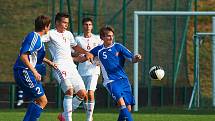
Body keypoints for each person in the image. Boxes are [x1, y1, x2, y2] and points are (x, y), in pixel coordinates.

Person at [42, 12, 93, 121]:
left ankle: (64, 116)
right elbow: (39, 41)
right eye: (64, 22)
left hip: (71, 66)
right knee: (69, 90)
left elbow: (75, 47)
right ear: (57, 22)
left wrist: (86, 53)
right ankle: (68, 119)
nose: (66, 25)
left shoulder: (69, 34)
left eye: (67, 23)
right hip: (59, 66)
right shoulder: (50, 33)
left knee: (82, 93)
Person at [87, 25, 142, 121]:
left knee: (128, 108)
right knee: (121, 103)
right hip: (111, 81)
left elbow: (133, 59)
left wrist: (136, 57)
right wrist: (73, 57)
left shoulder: (118, 47)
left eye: (112, 35)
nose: (111, 37)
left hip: (123, 80)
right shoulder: (98, 50)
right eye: (108, 36)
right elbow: (86, 56)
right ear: (102, 37)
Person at [13, 15, 56, 121]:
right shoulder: (34, 38)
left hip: (26, 71)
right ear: (45, 27)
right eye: (49, 26)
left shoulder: (36, 38)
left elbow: (33, 55)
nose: (49, 28)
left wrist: (48, 61)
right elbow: (23, 55)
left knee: (38, 101)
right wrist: (34, 72)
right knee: (42, 101)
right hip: (24, 71)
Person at [73, 17, 102, 121]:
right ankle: (88, 115)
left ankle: (89, 118)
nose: (88, 26)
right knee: (84, 94)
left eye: (90, 24)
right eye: (86, 24)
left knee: (90, 93)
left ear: (92, 26)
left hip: (94, 70)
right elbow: (73, 52)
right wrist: (78, 57)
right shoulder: (78, 39)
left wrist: (99, 61)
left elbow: (101, 53)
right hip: (82, 70)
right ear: (83, 26)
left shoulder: (98, 38)